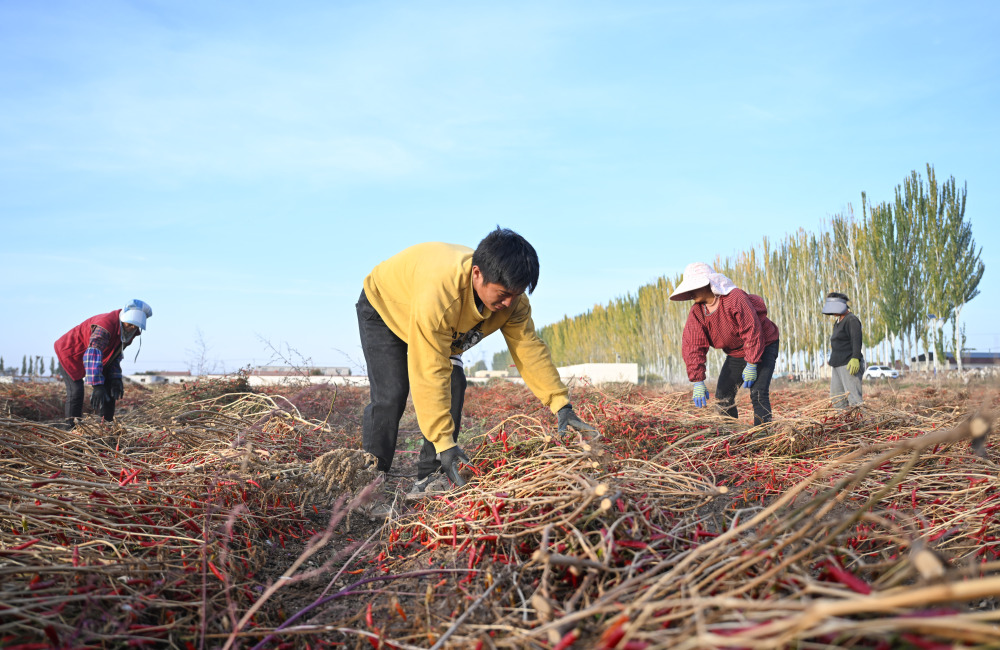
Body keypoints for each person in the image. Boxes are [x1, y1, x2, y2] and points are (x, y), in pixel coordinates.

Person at [357, 227, 596, 499]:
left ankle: (430, 477)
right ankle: (369, 485)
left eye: (515, 295)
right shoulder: (441, 294)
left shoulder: (513, 303)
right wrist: (444, 441)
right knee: (391, 393)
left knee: (454, 384)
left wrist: (561, 404)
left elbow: (528, 349)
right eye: (503, 294)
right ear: (477, 274)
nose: (508, 303)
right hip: (386, 306)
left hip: (438, 321)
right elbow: (428, 370)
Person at [670, 263, 780, 425]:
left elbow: (752, 330)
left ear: (708, 284)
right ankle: (729, 434)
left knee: (758, 392)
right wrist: (697, 380)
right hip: (736, 352)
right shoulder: (697, 312)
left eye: (694, 287)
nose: (691, 293)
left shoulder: (734, 298)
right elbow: (693, 345)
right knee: (723, 396)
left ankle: (763, 437)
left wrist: (752, 363)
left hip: (762, 345)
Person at [53, 300, 152, 427]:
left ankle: (106, 425)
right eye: (130, 323)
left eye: (135, 325)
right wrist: (97, 385)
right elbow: (93, 353)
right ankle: (72, 427)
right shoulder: (105, 325)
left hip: (98, 357)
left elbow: (114, 355)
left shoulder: (130, 333)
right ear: (123, 318)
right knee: (76, 391)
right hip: (71, 353)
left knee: (110, 387)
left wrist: (116, 377)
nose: (132, 327)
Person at [823, 292, 863, 410]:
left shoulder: (851, 320)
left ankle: (861, 425)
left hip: (849, 364)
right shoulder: (838, 322)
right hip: (837, 364)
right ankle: (845, 424)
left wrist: (855, 357)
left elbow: (856, 339)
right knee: (837, 398)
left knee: (854, 398)